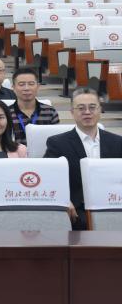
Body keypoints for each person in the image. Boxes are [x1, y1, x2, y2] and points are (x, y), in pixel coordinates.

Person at [45, 88, 122, 230]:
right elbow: (48, 177)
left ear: (100, 110)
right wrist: (63, 200)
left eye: (92, 107)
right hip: (77, 210)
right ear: (72, 112)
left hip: (113, 204)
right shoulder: (57, 143)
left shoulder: (118, 142)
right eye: (81, 108)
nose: (87, 112)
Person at [6, 67, 59, 145]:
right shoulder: (6, 113)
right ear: (13, 88)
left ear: (38, 86)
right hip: (15, 152)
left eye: (31, 84)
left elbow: (56, 140)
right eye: (21, 84)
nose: (26, 88)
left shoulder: (50, 112)